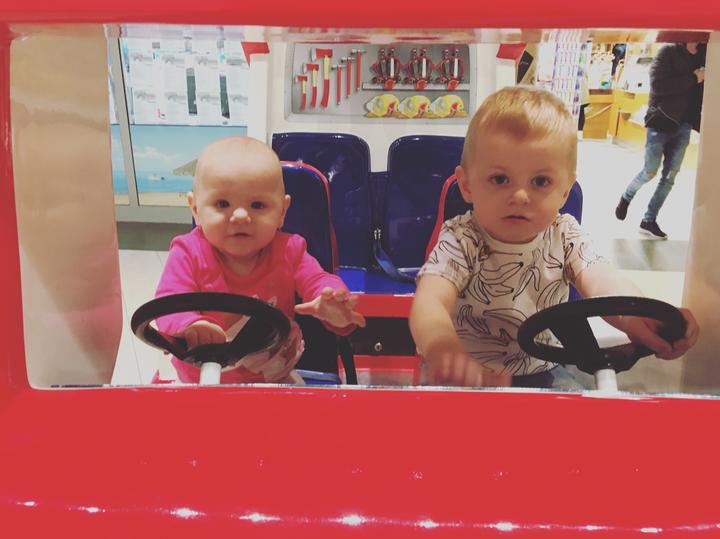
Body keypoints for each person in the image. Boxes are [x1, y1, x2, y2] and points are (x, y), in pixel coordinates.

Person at [409, 86, 699, 389]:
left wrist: (637, 314)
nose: (520, 196)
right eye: (500, 179)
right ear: (467, 185)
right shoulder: (461, 238)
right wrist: (442, 346)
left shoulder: (565, 235)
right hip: (464, 377)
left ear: (564, 191)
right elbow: (430, 300)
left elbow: (603, 281)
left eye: (540, 181)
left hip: (542, 369)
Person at [155, 136, 365, 384]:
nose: (240, 216)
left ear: (282, 212)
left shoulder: (290, 251)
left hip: (274, 378)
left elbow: (318, 279)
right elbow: (169, 302)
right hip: (198, 379)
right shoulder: (187, 253)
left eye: (257, 205)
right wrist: (189, 324)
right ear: (196, 209)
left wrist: (331, 303)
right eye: (222, 204)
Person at [615, 42, 706, 239]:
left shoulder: (705, 54)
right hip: (660, 121)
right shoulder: (669, 51)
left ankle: (649, 220)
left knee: (670, 178)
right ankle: (627, 197)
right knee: (649, 172)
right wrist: (694, 78)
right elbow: (658, 86)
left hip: (684, 125)